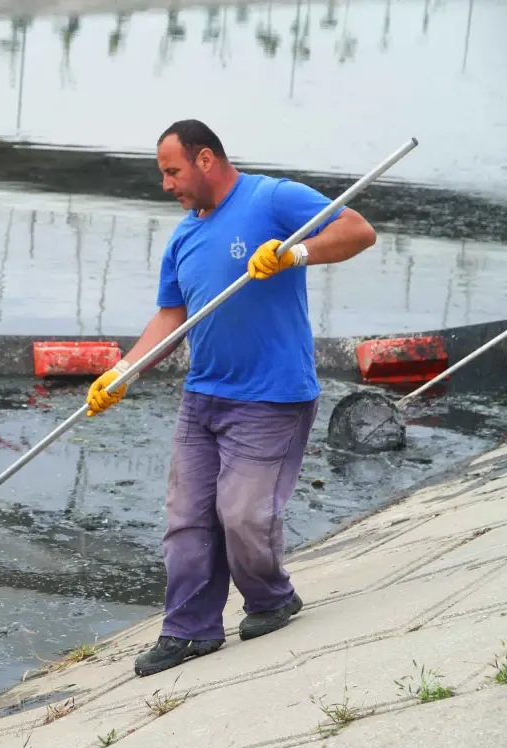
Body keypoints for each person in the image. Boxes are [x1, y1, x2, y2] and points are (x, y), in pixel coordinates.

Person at [86, 119, 377, 677]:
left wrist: (295, 255)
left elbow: (358, 232)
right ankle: (189, 630)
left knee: (243, 514)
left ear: (204, 159)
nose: (166, 184)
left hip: (272, 396)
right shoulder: (183, 236)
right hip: (204, 397)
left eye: (172, 171)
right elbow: (173, 316)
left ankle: (272, 599)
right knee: (186, 521)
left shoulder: (272, 198)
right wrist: (122, 371)